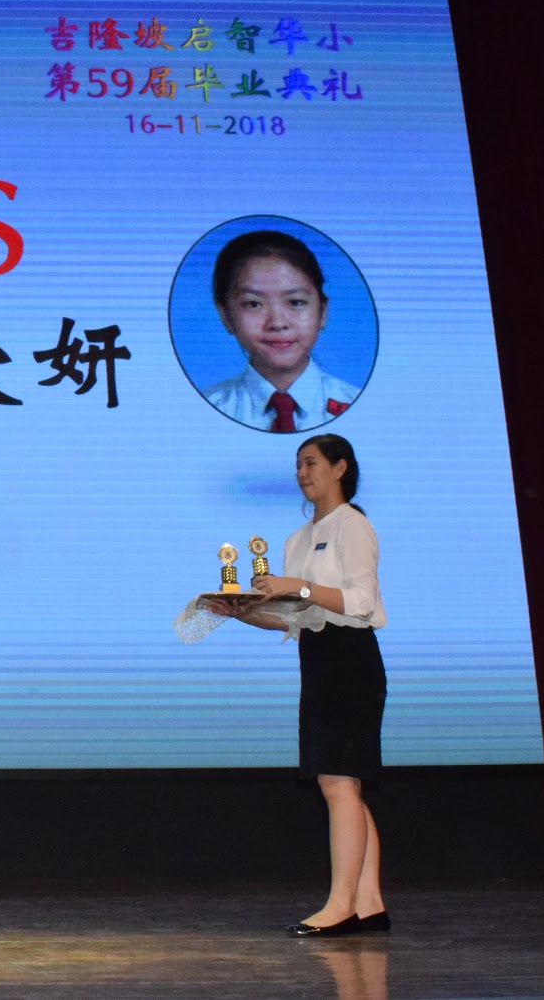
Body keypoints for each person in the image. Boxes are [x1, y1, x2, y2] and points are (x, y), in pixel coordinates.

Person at [214, 433, 388, 936]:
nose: (302, 473)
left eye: (311, 463)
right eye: (298, 465)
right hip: (317, 660)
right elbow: (295, 620)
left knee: (339, 783)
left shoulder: (353, 525)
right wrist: (241, 612)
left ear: (340, 468)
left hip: (352, 659)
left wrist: (299, 586)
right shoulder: (297, 539)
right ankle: (369, 902)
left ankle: (341, 906)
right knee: (342, 784)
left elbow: (360, 601)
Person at [201, 230, 361, 432]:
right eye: (253, 304)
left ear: (322, 311)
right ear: (225, 315)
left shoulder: (360, 406)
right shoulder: (203, 412)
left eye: (296, 302)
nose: (277, 323)